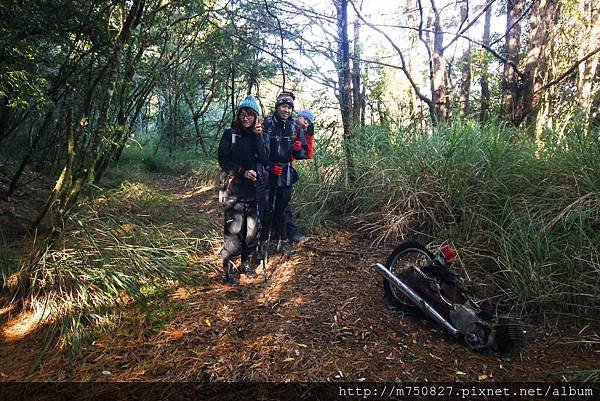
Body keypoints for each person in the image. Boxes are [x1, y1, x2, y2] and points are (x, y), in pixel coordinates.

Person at [217, 95, 268, 285]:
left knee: (251, 231)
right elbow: (223, 161)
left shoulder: (259, 135)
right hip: (234, 189)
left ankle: (246, 264)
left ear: (256, 117)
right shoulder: (229, 134)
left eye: (249, 115)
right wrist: (243, 172)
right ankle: (228, 270)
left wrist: (259, 136)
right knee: (233, 230)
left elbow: (265, 159)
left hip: (255, 191)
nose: (245, 118)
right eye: (242, 114)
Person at [259, 91, 308, 256]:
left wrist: (297, 150)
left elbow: (304, 152)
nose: (286, 110)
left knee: (282, 208)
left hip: (286, 174)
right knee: (266, 209)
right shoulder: (267, 124)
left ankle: (284, 240)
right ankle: (263, 244)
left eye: (289, 107)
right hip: (268, 173)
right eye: (283, 106)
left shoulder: (295, 127)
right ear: (278, 107)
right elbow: (259, 150)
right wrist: (270, 166)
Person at [286, 108, 315, 243]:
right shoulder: (285, 124)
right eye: (306, 120)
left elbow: (308, 154)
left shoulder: (299, 133)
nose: (306, 124)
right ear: (299, 116)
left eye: (308, 122)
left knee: (284, 204)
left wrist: (309, 135)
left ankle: (289, 234)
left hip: (287, 172)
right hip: (269, 170)